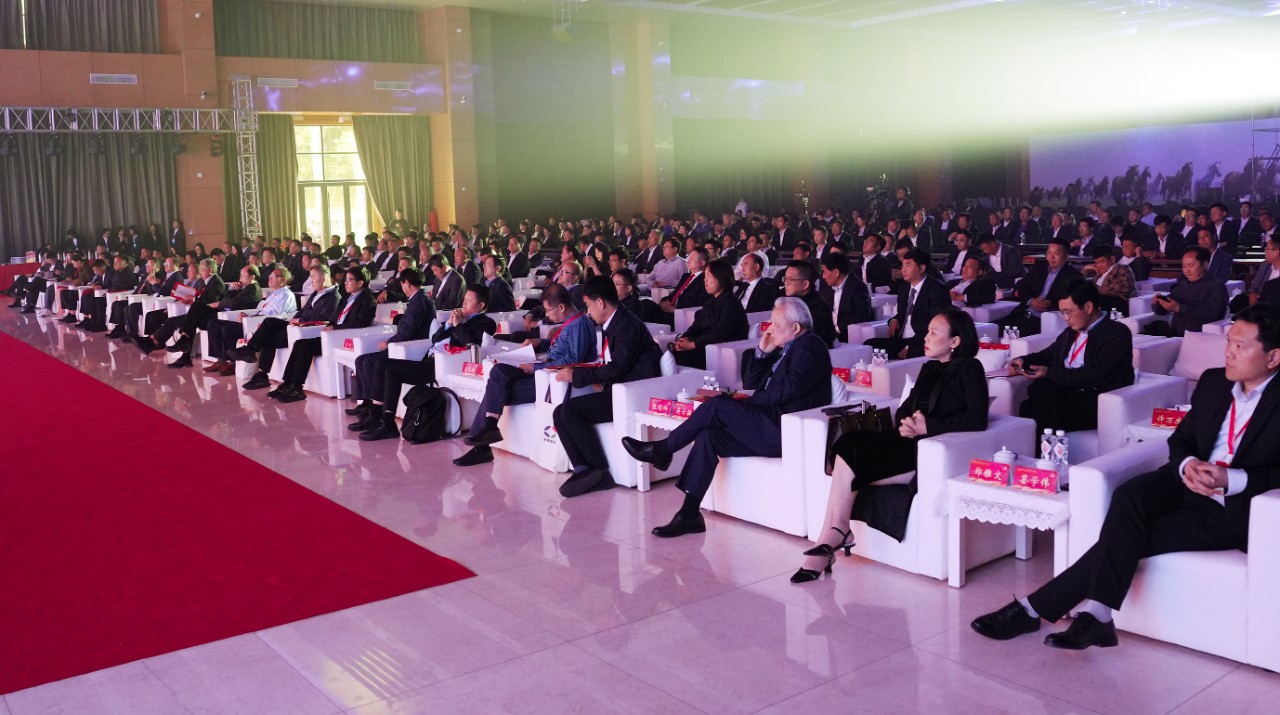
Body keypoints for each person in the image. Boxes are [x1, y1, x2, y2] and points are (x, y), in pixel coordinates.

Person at [972, 305, 1280, 649]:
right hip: (1187, 481)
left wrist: (1232, 479)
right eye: (1228, 342)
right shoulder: (1214, 382)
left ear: (1273, 357)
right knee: (1129, 495)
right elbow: (1182, 439)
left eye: (1240, 346)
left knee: (1138, 536)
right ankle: (1094, 615)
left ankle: (1041, 610)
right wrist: (1188, 463)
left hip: (1235, 505)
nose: (1228, 352)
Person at [795, 308, 988, 581]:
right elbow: (904, 408)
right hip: (906, 440)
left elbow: (977, 418)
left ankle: (831, 539)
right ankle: (834, 534)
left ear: (955, 341)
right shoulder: (929, 367)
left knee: (851, 462)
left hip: (929, 450)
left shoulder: (970, 368)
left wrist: (928, 427)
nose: (926, 337)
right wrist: (907, 423)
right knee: (848, 442)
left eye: (934, 333)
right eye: (928, 331)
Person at [623, 296, 833, 538]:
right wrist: (762, 353)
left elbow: (784, 391)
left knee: (718, 405)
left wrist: (743, 404)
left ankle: (663, 449)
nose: (770, 329)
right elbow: (752, 383)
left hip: (785, 429)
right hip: (771, 422)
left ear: (795, 327)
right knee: (708, 436)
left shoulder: (809, 347)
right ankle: (689, 514)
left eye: (776, 325)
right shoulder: (789, 347)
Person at [453, 283, 597, 465]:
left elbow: (573, 360)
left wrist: (536, 368)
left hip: (553, 381)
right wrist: (540, 342)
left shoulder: (579, 325)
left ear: (561, 307)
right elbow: (561, 349)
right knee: (499, 371)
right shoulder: (571, 323)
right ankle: (488, 429)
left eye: (548, 310)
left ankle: (482, 446)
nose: (547, 315)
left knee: (495, 391)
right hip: (545, 371)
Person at [551, 276, 663, 497]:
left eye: (588, 306)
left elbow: (618, 367)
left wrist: (578, 376)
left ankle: (600, 472)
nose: (587, 312)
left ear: (600, 302)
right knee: (559, 412)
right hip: (620, 388)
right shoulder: (614, 322)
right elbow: (616, 364)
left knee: (571, 410)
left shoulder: (626, 325)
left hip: (634, 392)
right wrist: (599, 379)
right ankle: (583, 469)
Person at [354, 285, 497, 442]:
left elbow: (471, 344)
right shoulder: (460, 317)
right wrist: (449, 324)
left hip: (441, 366)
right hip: (428, 360)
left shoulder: (487, 323)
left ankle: (386, 423)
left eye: (469, 301)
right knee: (382, 364)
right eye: (464, 299)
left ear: (481, 305)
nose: (464, 303)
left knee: (388, 368)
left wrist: (458, 325)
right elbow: (435, 339)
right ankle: (377, 416)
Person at [1013, 281, 1134, 433]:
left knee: (1038, 407)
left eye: (1068, 312)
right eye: (1062, 313)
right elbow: (1049, 355)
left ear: (1088, 307)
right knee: (1033, 402)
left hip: (1094, 397)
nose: (1065, 318)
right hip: (1065, 392)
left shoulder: (1116, 333)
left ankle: (1045, 445)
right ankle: (1046, 445)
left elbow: (1097, 374)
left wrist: (1049, 372)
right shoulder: (1071, 332)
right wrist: (1023, 361)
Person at [271, 267, 377, 403]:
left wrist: (335, 328)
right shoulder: (346, 298)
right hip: (334, 335)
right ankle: (287, 383)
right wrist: (330, 325)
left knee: (306, 347)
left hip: (345, 337)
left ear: (360, 283)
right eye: (346, 279)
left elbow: (360, 323)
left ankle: (297, 387)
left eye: (350, 280)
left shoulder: (368, 300)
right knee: (300, 343)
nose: (346, 282)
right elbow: (335, 318)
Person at [344, 269, 436, 418]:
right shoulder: (418, 298)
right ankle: (366, 403)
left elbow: (408, 330)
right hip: (403, 342)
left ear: (407, 283)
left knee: (369, 362)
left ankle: (373, 408)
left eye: (402, 284)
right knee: (361, 360)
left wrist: (389, 342)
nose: (402, 287)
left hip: (409, 346)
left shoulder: (419, 301)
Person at [204, 266, 298, 376]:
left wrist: (249, 318)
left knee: (228, 329)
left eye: (274, 276)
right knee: (213, 324)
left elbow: (275, 317)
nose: (270, 278)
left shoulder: (285, 295)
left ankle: (232, 363)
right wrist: (248, 315)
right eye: (270, 275)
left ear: (283, 280)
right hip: (255, 320)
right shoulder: (274, 294)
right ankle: (221, 360)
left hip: (260, 326)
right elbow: (261, 310)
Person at [866, 248, 950, 359]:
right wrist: (894, 320)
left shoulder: (937, 290)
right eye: (903, 265)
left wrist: (910, 347)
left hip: (922, 341)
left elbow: (936, 326)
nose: (903, 270)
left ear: (921, 268)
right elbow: (905, 313)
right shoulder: (904, 287)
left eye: (908, 265)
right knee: (868, 345)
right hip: (901, 339)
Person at [670, 259, 749, 369]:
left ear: (721, 278)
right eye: (705, 276)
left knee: (675, 358)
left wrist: (692, 344)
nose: (705, 280)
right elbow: (697, 326)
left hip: (720, 351)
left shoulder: (731, 303)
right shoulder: (711, 301)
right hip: (704, 345)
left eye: (708, 276)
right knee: (670, 351)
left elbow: (720, 334)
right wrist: (685, 338)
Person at [999, 239, 1081, 336]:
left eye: (1056, 253)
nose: (1051, 257)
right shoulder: (1040, 267)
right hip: (1024, 312)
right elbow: (1021, 286)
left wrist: (1050, 303)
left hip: (1043, 319)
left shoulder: (1074, 276)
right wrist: (1031, 301)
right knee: (993, 327)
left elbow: (1072, 301)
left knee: (1018, 336)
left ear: (1067, 257)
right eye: (1049, 252)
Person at [1150, 247, 1228, 337]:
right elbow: (1165, 310)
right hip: (1175, 334)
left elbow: (1211, 314)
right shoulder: (1182, 285)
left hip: (1200, 336)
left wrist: (1179, 309)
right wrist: (1157, 304)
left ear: (1205, 265)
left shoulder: (1216, 287)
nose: (1187, 270)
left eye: (1191, 265)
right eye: (1184, 266)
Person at [817, 252, 873, 344]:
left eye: (825, 272)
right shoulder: (826, 287)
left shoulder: (858, 287)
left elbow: (862, 314)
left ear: (836, 272)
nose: (823, 276)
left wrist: (837, 329)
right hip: (827, 333)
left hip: (846, 334)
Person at [781, 260, 837, 348]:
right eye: (785, 278)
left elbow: (808, 337)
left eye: (790, 279)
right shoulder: (790, 300)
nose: (785, 283)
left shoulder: (820, 307)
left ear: (805, 284)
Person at [1231, 234, 1280, 314]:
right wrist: (1252, 294)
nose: (1265, 251)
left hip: (1274, 306)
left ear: (1277, 252)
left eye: (1267, 248)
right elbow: (1254, 287)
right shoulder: (1265, 265)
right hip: (1259, 303)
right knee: (1238, 301)